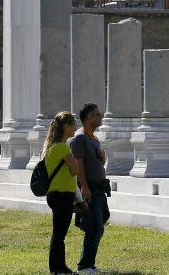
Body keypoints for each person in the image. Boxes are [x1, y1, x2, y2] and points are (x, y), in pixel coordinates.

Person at [70, 102, 107, 274]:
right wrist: (84, 188)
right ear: (90, 117)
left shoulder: (93, 139)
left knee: (98, 227)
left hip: (99, 189)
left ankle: (90, 264)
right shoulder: (80, 138)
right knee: (93, 227)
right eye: (98, 114)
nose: (101, 117)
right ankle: (84, 266)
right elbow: (78, 164)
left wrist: (102, 158)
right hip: (90, 189)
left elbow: (97, 164)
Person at [43, 111, 80, 275]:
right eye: (74, 125)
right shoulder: (62, 147)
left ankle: (58, 267)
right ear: (66, 126)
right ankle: (58, 268)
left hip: (55, 194)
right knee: (59, 234)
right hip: (63, 194)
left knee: (58, 233)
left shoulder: (52, 147)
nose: (76, 128)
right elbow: (75, 170)